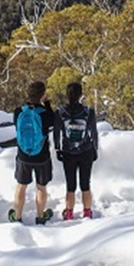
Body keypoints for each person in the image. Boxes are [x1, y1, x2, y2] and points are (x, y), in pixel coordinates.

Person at [9, 81, 55, 225]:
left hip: (23, 155)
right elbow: (53, 121)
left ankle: (17, 216)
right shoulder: (45, 114)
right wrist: (46, 104)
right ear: (43, 95)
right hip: (42, 156)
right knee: (41, 187)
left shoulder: (18, 112)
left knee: (21, 186)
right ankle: (40, 216)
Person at [54, 81, 99, 220]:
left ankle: (69, 212)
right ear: (81, 95)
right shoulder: (88, 111)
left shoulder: (60, 112)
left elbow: (57, 133)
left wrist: (58, 149)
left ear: (66, 95)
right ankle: (87, 212)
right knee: (85, 184)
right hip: (86, 151)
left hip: (68, 152)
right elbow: (93, 132)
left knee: (70, 185)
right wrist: (95, 149)